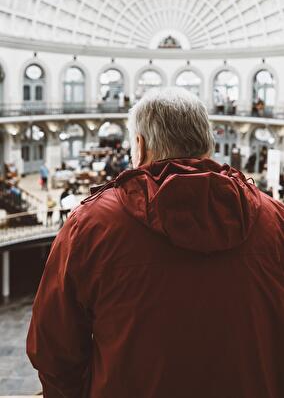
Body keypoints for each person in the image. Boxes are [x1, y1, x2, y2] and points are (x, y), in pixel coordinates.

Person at [27, 87, 284, 398]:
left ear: (140, 145)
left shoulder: (91, 225)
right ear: (207, 143)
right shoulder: (275, 219)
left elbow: (53, 349)